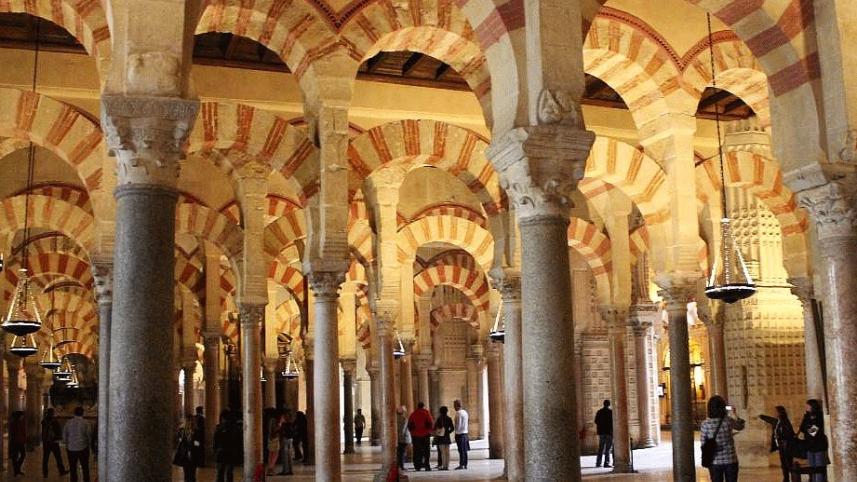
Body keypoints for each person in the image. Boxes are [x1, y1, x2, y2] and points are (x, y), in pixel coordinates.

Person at [700, 396, 746, 482]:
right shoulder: (728, 421)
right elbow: (741, 426)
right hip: (730, 460)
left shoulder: (705, 424)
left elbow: (703, 444)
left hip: (714, 461)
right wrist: (735, 413)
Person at [759, 406, 796, 482]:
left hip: (787, 446)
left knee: (788, 463)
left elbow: (789, 433)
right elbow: (771, 420)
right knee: (783, 464)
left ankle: (792, 478)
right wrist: (761, 416)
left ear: (780, 412)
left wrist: (780, 436)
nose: (774, 413)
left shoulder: (785, 421)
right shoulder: (778, 421)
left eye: (775, 411)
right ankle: (786, 478)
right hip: (782, 446)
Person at [799, 399, 828, 482]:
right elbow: (801, 428)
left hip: (819, 446)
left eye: (807, 405)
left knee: (819, 470)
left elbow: (814, 431)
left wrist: (807, 430)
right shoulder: (806, 416)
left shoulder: (819, 416)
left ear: (813, 406)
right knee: (812, 469)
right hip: (809, 446)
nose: (806, 407)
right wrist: (808, 429)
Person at [63, 406, 93, 482]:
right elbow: (89, 435)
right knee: (85, 467)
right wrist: (89, 444)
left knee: (72, 468)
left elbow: (64, 435)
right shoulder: (86, 422)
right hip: (83, 447)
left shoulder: (68, 422)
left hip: (71, 448)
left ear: (74, 413)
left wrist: (67, 444)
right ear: (83, 413)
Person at [213, 409, 241, 482]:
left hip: (224, 451)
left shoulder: (220, 427)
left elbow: (215, 440)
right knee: (228, 472)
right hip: (229, 452)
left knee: (221, 472)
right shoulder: (235, 428)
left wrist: (215, 449)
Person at [41, 407, 68, 477]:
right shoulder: (54, 421)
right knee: (58, 457)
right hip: (53, 442)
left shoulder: (44, 421)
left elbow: (43, 431)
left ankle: (45, 473)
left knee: (45, 458)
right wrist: (59, 438)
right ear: (52, 413)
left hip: (46, 442)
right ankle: (61, 471)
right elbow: (58, 431)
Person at [175, 413, 202, 482]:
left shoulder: (195, 431)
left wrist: (192, 444)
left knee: (190, 474)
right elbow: (180, 440)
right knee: (188, 474)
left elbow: (198, 443)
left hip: (191, 453)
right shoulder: (182, 430)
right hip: (186, 454)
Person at [408, 402, 434, 471]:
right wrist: (430, 432)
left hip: (416, 436)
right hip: (425, 435)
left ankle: (417, 466)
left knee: (417, 451)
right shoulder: (426, 413)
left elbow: (410, 425)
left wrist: (412, 433)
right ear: (423, 406)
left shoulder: (413, 414)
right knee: (426, 451)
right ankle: (427, 466)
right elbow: (431, 423)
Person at [433, 406, 455, 470]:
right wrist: (447, 432)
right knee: (447, 452)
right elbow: (452, 428)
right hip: (447, 437)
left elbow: (435, 428)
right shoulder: (449, 418)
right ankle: (447, 466)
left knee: (442, 452)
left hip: (440, 437)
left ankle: (443, 466)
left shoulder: (439, 419)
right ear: (446, 411)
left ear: (440, 411)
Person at [594, 399, 613, 468]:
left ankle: (598, 463)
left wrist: (601, 426)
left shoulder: (599, 412)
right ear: (609, 404)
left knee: (601, 448)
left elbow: (596, 421)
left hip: (601, 432)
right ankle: (606, 463)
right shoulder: (611, 412)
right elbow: (613, 422)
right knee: (608, 449)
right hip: (609, 433)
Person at [453, 399, 470, 470]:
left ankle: (461, 464)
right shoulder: (465, 412)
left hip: (460, 434)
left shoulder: (458, 413)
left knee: (461, 450)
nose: (454, 407)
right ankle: (465, 464)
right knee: (464, 450)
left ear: (457, 405)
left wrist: (456, 431)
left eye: (454, 405)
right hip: (465, 433)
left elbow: (458, 424)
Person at [9, 410, 26, 476]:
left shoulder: (20, 422)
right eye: (22, 415)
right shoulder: (14, 423)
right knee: (15, 456)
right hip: (16, 442)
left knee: (22, 455)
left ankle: (17, 469)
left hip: (20, 441)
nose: (23, 416)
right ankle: (17, 470)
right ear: (19, 416)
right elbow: (13, 433)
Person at [266, 411, 283, 476]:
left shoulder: (270, 420)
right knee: (275, 455)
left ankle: (270, 469)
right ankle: (270, 469)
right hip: (274, 439)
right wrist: (280, 423)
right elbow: (275, 430)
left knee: (271, 455)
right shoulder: (274, 420)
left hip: (270, 439)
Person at [278, 409, 294, 475]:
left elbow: (280, 430)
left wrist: (280, 423)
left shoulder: (284, 423)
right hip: (290, 439)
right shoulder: (291, 422)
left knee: (285, 456)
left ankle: (285, 471)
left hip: (285, 439)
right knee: (289, 455)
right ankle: (290, 470)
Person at [397, 406, 412, 471]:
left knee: (399, 453)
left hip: (397, 438)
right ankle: (401, 466)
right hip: (403, 438)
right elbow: (403, 429)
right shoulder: (404, 419)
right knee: (402, 453)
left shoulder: (395, 418)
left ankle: (399, 465)